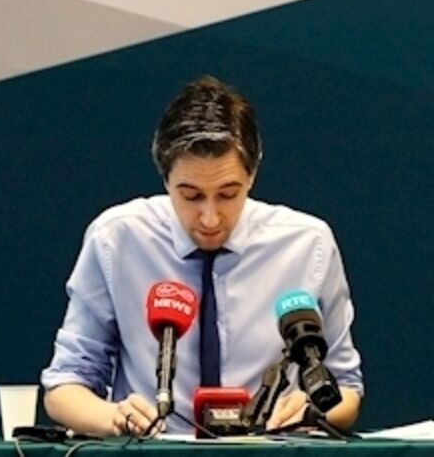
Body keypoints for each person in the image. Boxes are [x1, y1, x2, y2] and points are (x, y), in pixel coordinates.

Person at [40, 76, 363, 436]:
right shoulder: (116, 239)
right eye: (191, 195)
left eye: (228, 194)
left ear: (253, 174)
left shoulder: (308, 244)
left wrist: (313, 410)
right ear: (165, 179)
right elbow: (65, 386)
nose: (210, 218)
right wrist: (113, 418)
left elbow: (347, 387)